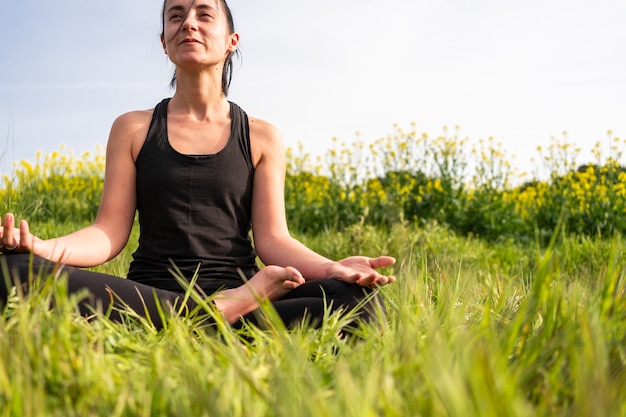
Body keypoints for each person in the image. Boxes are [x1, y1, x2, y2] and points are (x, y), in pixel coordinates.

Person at [0, 0, 395, 331]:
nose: (188, 22)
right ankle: (214, 318)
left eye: (204, 14)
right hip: (150, 294)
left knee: (357, 300)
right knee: (13, 268)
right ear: (164, 42)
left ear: (230, 41)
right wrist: (42, 248)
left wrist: (332, 267)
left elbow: (273, 241)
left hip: (241, 293)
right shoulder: (133, 128)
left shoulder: (262, 136)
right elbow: (109, 232)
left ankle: (202, 320)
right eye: (176, 15)